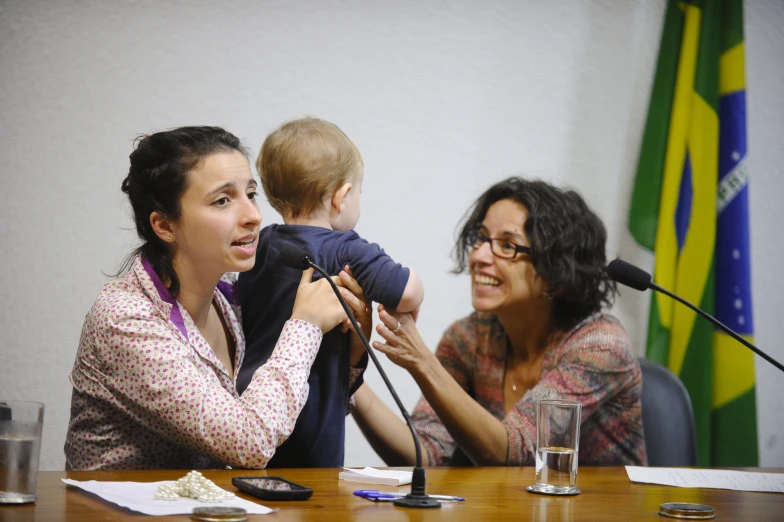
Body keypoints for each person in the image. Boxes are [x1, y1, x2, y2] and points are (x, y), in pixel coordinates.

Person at [64, 126, 365, 470]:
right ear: (164, 226)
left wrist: (352, 357)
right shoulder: (126, 319)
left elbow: (281, 414)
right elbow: (250, 441)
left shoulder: (230, 300)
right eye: (223, 200)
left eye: (250, 194)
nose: (254, 215)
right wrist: (305, 326)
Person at [350, 177, 647, 466]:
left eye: (507, 246)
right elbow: (424, 453)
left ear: (556, 271)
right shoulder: (469, 339)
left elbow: (513, 453)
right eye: (480, 238)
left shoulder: (599, 345)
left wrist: (422, 362)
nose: (478, 255)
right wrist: (347, 374)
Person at [237, 117, 424, 467]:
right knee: (317, 496)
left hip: (255, 398)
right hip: (315, 407)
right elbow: (406, 293)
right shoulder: (347, 251)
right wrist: (417, 285)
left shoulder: (260, 244)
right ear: (341, 197)